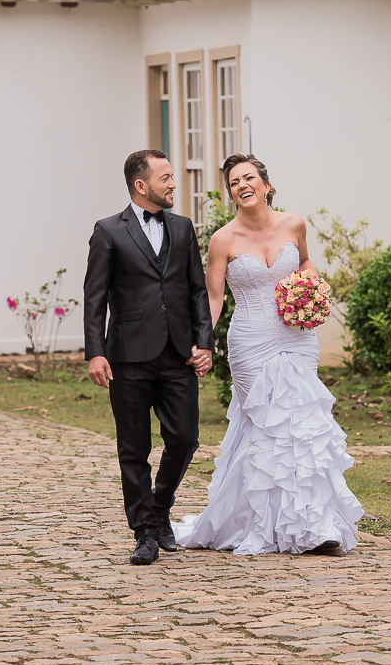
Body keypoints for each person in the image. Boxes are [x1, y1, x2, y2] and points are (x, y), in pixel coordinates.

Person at [172, 154, 363, 556]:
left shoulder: (294, 224)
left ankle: (315, 526)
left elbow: (306, 260)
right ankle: (259, 524)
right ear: (231, 194)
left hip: (296, 337)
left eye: (249, 178)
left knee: (302, 425)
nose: (242, 185)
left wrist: (310, 285)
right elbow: (213, 296)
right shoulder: (223, 240)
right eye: (234, 182)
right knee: (266, 430)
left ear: (265, 184)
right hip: (249, 343)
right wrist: (202, 341)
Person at [84, 150, 214, 566]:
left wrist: (204, 342)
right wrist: (95, 353)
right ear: (142, 186)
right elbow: (95, 298)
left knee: (184, 438)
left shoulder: (181, 227)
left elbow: (197, 291)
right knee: (133, 447)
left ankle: (160, 507)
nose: (174, 183)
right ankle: (144, 533)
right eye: (166, 177)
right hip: (128, 355)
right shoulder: (108, 231)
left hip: (178, 354)